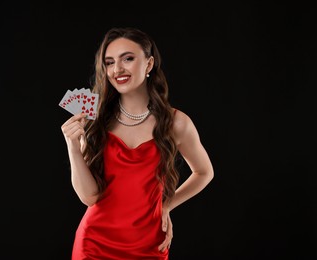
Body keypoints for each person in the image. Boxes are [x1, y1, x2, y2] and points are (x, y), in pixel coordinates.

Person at [61, 27, 214, 260]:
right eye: (110, 62)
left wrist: (166, 206)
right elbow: (89, 197)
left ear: (149, 64)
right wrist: (73, 146)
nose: (117, 69)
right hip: (94, 244)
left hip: (149, 245)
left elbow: (204, 172)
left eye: (128, 59)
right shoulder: (95, 120)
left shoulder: (176, 123)